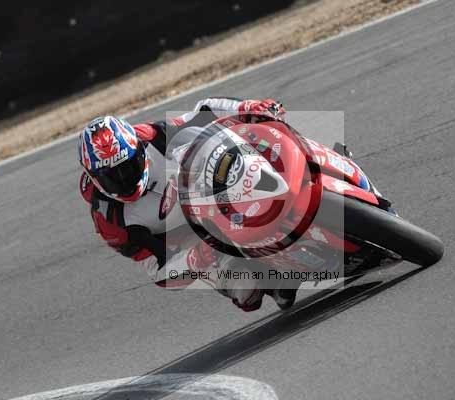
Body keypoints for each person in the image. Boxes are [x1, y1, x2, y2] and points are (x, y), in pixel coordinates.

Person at [78, 97, 295, 311]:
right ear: (94, 177)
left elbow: (204, 110)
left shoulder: (153, 137)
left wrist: (246, 107)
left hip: (211, 192)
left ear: (139, 149)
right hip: (193, 241)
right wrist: (194, 259)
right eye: (111, 176)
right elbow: (158, 271)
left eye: (129, 166)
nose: (124, 178)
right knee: (246, 291)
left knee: (264, 139)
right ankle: (272, 280)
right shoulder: (109, 219)